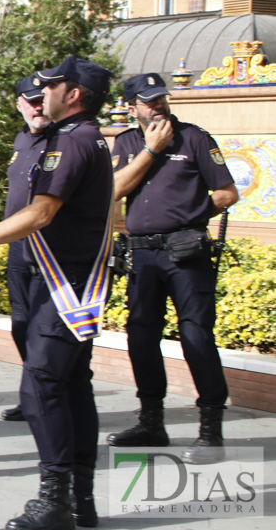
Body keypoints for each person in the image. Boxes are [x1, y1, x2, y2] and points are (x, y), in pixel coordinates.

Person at [0, 55, 113, 530]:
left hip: (65, 284)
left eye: (53, 87)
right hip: (57, 279)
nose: (44, 94)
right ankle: (80, 499)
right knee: (72, 385)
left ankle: (55, 499)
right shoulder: (65, 139)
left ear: (73, 94)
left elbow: (41, 213)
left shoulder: (74, 143)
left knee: (42, 386)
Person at [106, 73, 239, 467]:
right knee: (141, 337)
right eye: (149, 101)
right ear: (132, 107)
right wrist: (150, 150)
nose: (159, 105)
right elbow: (111, 190)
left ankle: (210, 432)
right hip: (143, 256)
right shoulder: (127, 142)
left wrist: (190, 219)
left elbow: (227, 193)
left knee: (196, 337)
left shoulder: (195, 138)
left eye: (162, 98)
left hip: (186, 254)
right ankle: (151, 422)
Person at [0, 75, 53, 423]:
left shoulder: (63, 140)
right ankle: (33, 391)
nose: (38, 107)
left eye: (42, 100)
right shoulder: (22, 139)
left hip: (49, 247)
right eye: (30, 101)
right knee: (21, 324)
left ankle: (50, 392)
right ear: (18, 103)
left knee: (44, 327)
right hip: (19, 246)